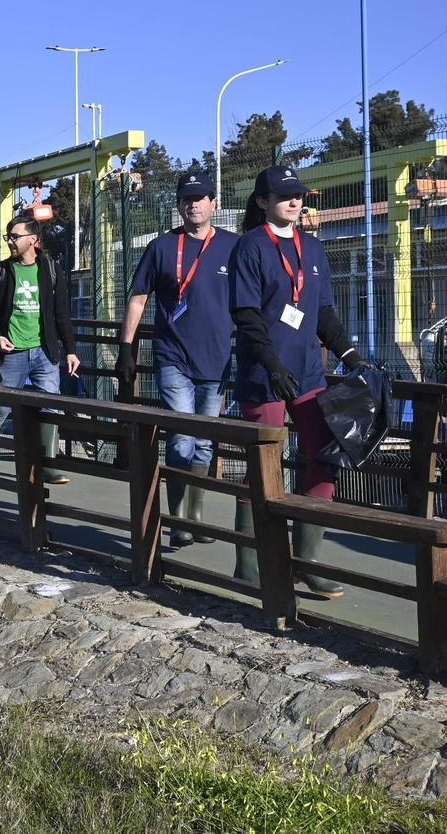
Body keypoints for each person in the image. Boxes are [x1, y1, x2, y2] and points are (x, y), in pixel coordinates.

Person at [229, 165, 363, 597]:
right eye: (284, 195)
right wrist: (271, 363)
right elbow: (247, 315)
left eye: (299, 194)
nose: (294, 200)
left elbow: (322, 312)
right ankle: (249, 564)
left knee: (326, 458)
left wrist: (350, 355)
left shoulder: (314, 248)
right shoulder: (250, 247)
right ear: (262, 201)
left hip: (307, 373)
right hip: (262, 374)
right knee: (264, 467)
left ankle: (306, 561)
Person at [116, 170, 237, 547]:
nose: (194, 203)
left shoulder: (235, 246)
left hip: (218, 360)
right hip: (173, 358)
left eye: (201, 197)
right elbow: (138, 297)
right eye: (187, 198)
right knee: (181, 435)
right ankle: (178, 521)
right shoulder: (162, 247)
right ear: (179, 205)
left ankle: (195, 517)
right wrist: (126, 348)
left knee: (204, 439)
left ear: (214, 203)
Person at [0, 215, 79, 480]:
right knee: (0, 407)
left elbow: (62, 313)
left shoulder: (52, 270)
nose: (10, 241)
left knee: (49, 407)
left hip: (46, 353)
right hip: (12, 353)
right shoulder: (0, 270)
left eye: (15, 236)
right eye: (8, 236)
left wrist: (70, 349)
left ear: (33, 240)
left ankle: (48, 466)